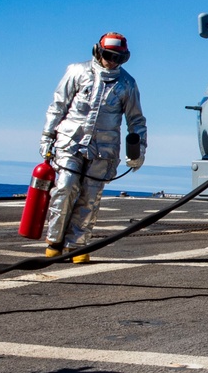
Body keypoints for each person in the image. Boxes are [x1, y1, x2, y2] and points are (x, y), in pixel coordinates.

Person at [41, 32, 147, 263]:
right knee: (65, 188)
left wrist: (138, 152)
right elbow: (58, 105)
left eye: (119, 58)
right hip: (70, 142)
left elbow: (136, 121)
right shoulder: (77, 72)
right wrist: (47, 136)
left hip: (104, 150)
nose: (112, 61)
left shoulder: (127, 84)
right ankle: (54, 241)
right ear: (98, 52)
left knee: (90, 197)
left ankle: (76, 245)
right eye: (108, 56)